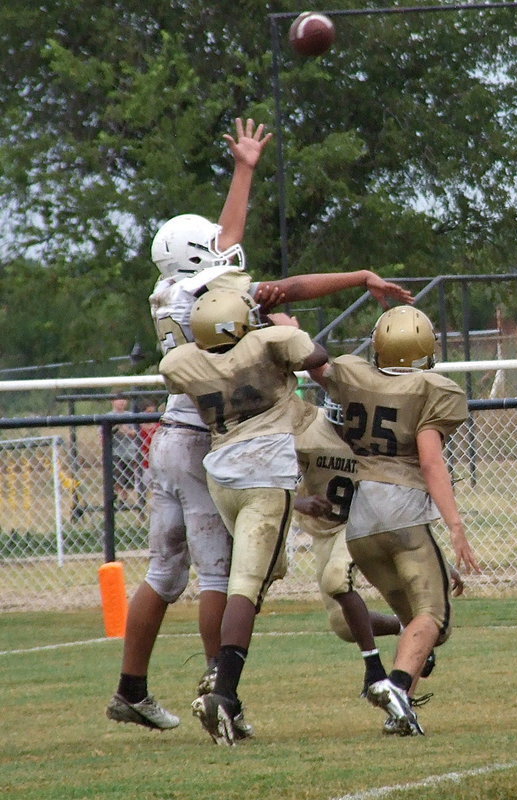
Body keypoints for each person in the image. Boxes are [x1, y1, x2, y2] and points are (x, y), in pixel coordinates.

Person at [106, 116, 415, 734]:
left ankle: (131, 690)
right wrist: (358, 276)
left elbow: (227, 241)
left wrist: (245, 168)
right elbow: (282, 285)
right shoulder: (216, 294)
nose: (226, 247)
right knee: (224, 576)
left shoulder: (170, 291)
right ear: (202, 255)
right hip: (214, 442)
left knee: (164, 573)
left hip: (168, 436)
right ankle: (219, 696)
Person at [159, 289, 329, 745]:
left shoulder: (184, 362)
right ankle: (222, 691)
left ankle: (223, 688)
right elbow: (317, 354)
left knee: (250, 580)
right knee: (247, 587)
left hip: (223, 473)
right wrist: (282, 327)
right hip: (265, 471)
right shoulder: (269, 342)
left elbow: (184, 368)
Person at [310, 305, 481, 737]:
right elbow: (429, 459)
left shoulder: (353, 374)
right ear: (426, 347)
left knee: (420, 630)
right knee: (433, 615)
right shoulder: (432, 388)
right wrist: (456, 526)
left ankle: (398, 712)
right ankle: (397, 686)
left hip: (361, 519)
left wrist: (280, 325)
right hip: (401, 506)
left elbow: (316, 365)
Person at [293, 395, 464, 698]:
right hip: (325, 530)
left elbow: (402, 500)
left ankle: (376, 672)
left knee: (336, 576)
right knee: (342, 626)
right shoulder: (306, 431)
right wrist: (300, 501)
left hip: (365, 524)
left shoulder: (379, 441)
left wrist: (435, 555)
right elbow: (271, 485)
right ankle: (403, 628)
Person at [109, 394, 140, 509]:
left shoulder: (130, 415)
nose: (121, 402)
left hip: (128, 453)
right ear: (112, 401)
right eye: (118, 400)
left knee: (128, 480)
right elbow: (104, 434)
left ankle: (123, 499)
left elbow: (134, 433)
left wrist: (123, 428)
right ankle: (118, 498)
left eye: (123, 400)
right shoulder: (109, 416)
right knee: (117, 476)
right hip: (114, 452)